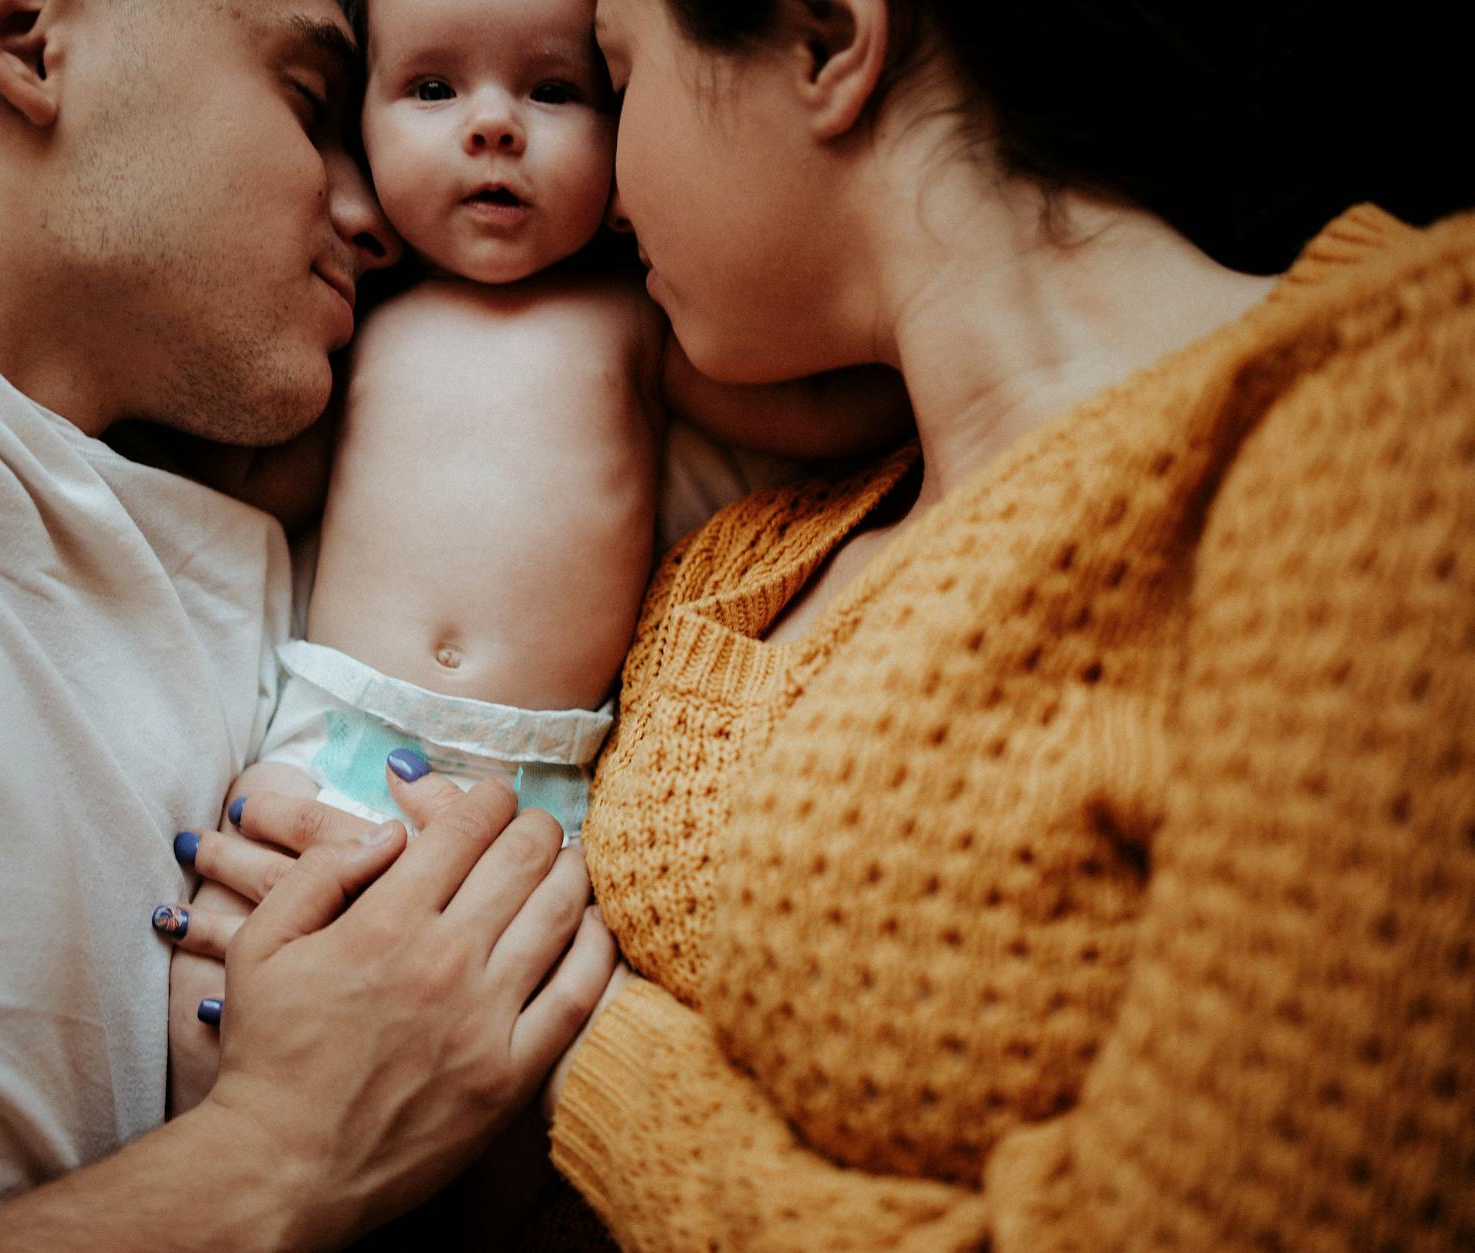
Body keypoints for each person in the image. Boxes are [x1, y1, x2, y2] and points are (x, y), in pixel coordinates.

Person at [189, 0, 1475, 1246]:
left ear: (823, 40)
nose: (608, 192)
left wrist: (553, 1040)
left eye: (614, 81)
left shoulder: (1392, 414)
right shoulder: (746, 550)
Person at [0, 0, 618, 1247]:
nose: (374, 215)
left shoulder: (258, 513)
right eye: (308, 102)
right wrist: (282, 1151)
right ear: (30, 32)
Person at [157, 0, 908, 1112]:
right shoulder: (357, 324)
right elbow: (244, 480)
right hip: (338, 739)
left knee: (526, 1073)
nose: (494, 126)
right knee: (216, 999)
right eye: (432, 90)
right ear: (360, 130)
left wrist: (911, 364)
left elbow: (818, 416)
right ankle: (223, 1157)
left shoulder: (642, 321)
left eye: (554, 91)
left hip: (537, 794)